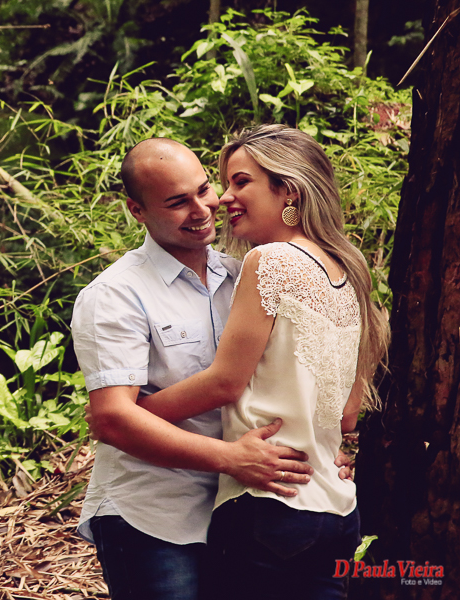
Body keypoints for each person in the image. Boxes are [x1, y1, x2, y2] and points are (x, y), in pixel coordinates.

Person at [137, 125, 390, 600]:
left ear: (288, 189)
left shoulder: (270, 261)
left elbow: (224, 384)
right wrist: (346, 450)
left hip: (268, 507)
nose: (224, 199)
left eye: (241, 182)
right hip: (336, 512)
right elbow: (349, 412)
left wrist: (134, 419)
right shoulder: (347, 268)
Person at [72, 137, 314, 600]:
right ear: (136, 210)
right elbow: (111, 418)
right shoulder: (115, 295)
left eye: (204, 190)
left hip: (239, 512)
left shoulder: (246, 276)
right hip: (152, 516)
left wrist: (320, 449)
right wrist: (231, 458)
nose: (202, 209)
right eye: (177, 202)